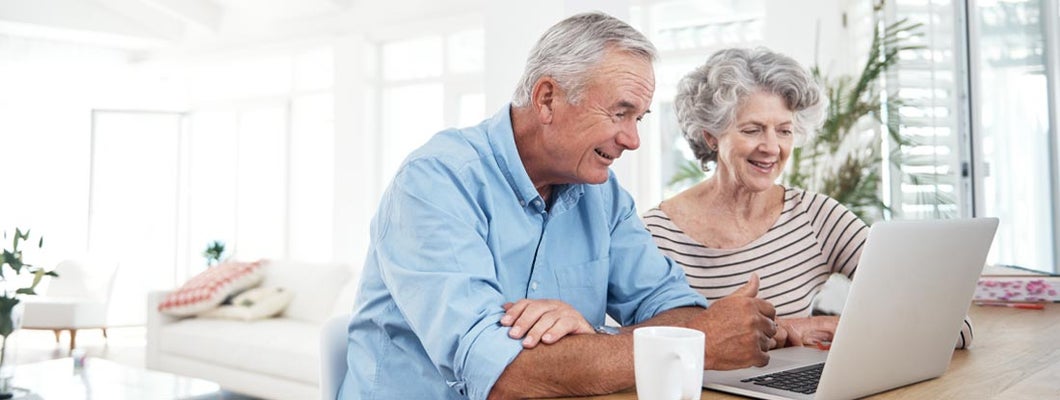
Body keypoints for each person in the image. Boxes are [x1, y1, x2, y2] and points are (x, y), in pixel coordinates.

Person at [339, 12, 781, 400]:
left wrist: (593, 336)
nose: (633, 139)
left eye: (639, 118)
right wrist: (694, 338)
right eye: (620, 113)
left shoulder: (601, 193)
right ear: (547, 98)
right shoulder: (436, 181)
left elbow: (672, 306)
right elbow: (502, 374)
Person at [642, 47, 974, 350]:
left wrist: (831, 327)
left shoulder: (816, 217)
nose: (772, 147)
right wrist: (785, 329)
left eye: (784, 131)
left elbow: (951, 326)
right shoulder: (655, 233)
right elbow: (642, 348)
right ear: (710, 137)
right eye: (752, 129)